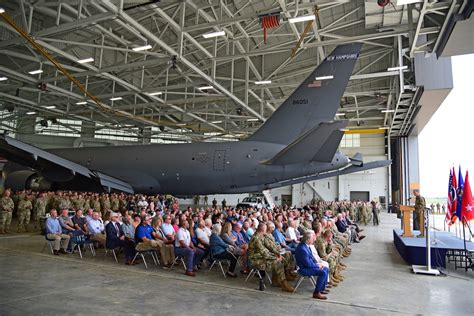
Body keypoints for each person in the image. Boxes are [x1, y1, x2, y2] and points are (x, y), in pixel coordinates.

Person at [247, 223, 294, 292]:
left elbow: (270, 246)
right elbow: (264, 252)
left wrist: (277, 254)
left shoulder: (262, 236)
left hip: (261, 257)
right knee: (277, 262)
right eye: (266, 228)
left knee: (279, 260)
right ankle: (284, 283)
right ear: (263, 229)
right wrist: (275, 257)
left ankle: (276, 280)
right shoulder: (256, 238)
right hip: (255, 259)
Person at [295, 231, 330, 300]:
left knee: (325, 268)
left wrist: (318, 264)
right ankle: (316, 293)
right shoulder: (302, 249)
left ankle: (321, 289)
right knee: (322, 272)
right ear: (308, 240)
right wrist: (317, 266)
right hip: (303, 269)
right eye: (312, 238)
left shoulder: (306, 246)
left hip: (308, 266)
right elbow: (308, 264)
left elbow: (312, 258)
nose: (314, 239)